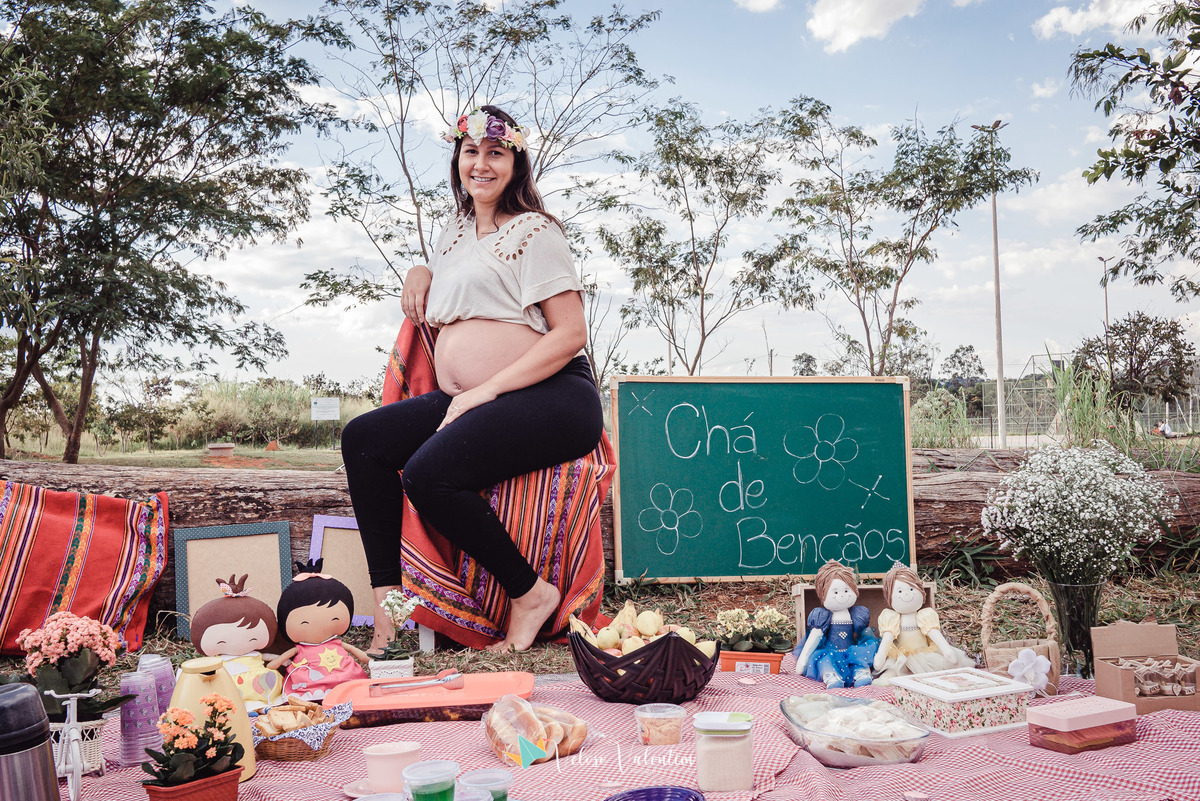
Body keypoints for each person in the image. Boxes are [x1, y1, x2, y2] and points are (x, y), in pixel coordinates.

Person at [341, 105, 604, 653]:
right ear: (457, 157)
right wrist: (420, 271)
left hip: (553, 396)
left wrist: (486, 390)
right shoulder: (455, 231)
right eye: (471, 152)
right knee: (363, 440)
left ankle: (530, 593)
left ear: (516, 162)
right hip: (473, 398)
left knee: (426, 473)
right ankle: (390, 612)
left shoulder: (536, 233)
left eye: (496, 153)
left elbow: (570, 333)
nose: (481, 164)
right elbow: (457, 292)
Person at [873, 563, 973, 684]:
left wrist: (947, 651)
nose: (907, 593)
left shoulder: (924, 616)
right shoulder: (892, 618)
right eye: (899, 591)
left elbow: (934, 633)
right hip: (901, 658)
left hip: (925, 655)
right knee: (894, 671)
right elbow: (887, 639)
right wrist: (880, 656)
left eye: (911, 589)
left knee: (937, 672)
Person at [793, 560, 879, 688]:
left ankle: (862, 673)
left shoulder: (856, 613)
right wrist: (803, 660)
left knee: (860, 657)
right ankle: (830, 676)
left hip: (851, 651)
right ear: (823, 595)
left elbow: (863, 634)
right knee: (824, 661)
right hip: (830, 652)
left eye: (846, 591)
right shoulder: (823, 616)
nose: (842, 596)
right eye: (835, 592)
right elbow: (815, 637)